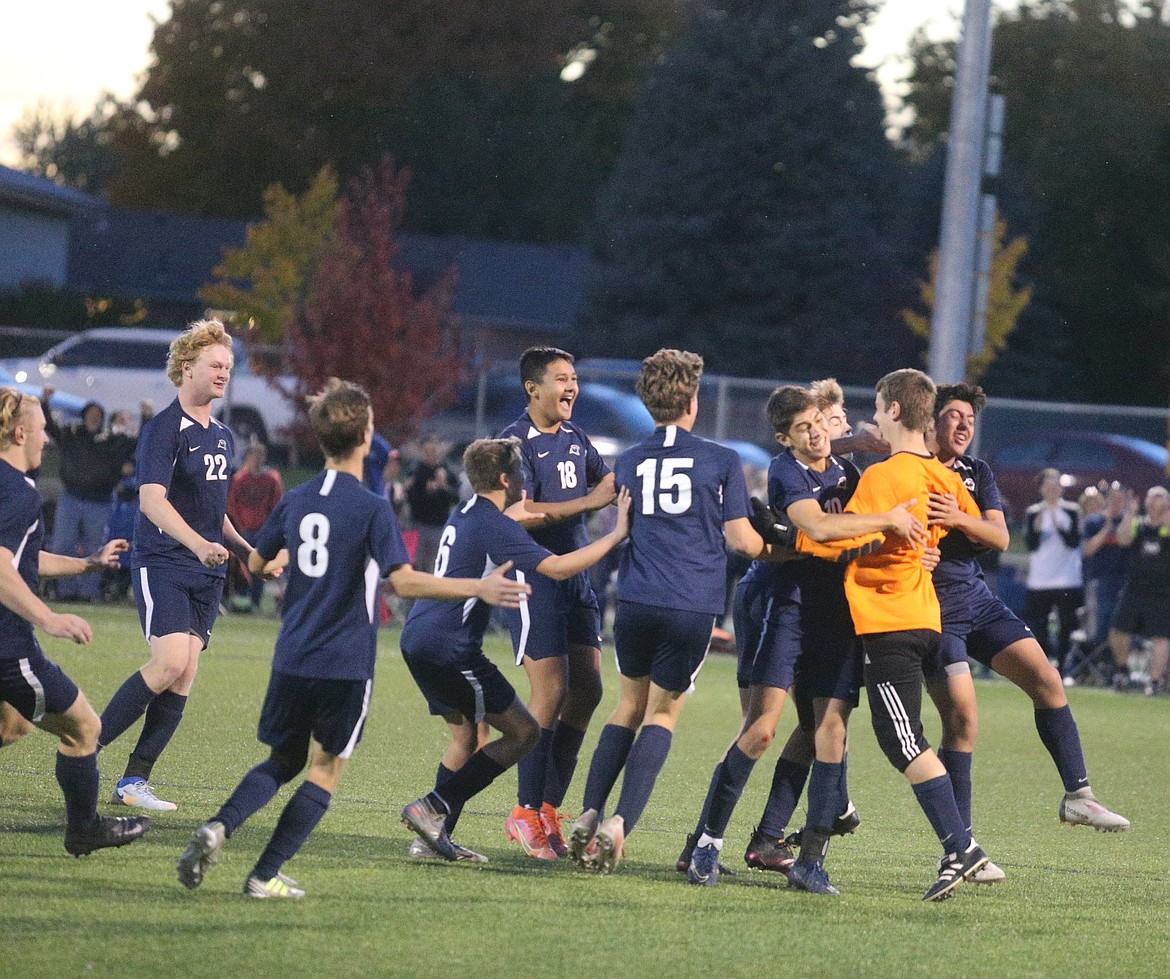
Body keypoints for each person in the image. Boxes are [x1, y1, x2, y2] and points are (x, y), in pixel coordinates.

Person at [176, 381, 532, 897]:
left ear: (321, 439)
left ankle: (220, 826)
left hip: (291, 654)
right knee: (325, 768)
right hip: (343, 663)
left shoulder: (296, 498)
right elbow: (404, 581)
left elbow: (254, 561)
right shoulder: (370, 507)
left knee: (281, 761)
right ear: (366, 435)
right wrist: (479, 586)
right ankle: (263, 874)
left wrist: (275, 560)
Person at [683, 385, 923, 887]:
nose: (816, 434)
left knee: (830, 734)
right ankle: (705, 844)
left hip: (839, 615)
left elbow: (851, 536)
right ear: (783, 439)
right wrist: (885, 521)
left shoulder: (846, 472)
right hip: (789, 610)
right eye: (803, 429)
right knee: (761, 729)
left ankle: (811, 861)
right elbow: (818, 526)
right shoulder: (786, 472)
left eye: (819, 423)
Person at [565, 349, 779, 875]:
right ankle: (619, 825)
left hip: (635, 599)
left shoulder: (632, 459)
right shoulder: (721, 458)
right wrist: (786, 547)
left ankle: (589, 812)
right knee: (662, 714)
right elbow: (742, 541)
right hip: (690, 604)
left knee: (625, 707)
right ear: (691, 400)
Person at [923, 383, 1128, 893]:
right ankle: (961, 848)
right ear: (930, 422)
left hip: (974, 598)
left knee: (1047, 680)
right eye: (953, 415)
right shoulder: (911, 465)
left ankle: (1077, 795)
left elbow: (999, 536)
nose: (964, 425)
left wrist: (959, 518)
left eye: (969, 417)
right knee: (962, 721)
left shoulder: (977, 472)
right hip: (929, 608)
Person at [398, 436, 630, 862]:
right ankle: (431, 808)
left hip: (417, 637)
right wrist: (615, 536)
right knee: (525, 732)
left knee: (467, 738)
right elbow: (557, 568)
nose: (528, 480)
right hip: (452, 646)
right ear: (506, 479)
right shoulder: (496, 523)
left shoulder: (464, 511)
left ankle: (429, 839)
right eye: (522, 473)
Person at [809, 369, 994, 901]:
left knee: (903, 739)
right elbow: (971, 520)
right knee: (903, 735)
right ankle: (961, 846)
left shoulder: (883, 477)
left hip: (890, 619)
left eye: (878, 407)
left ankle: (961, 847)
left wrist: (799, 532)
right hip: (924, 613)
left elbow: (841, 541)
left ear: (892, 410)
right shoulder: (944, 476)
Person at [97, 319, 276, 811]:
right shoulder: (162, 430)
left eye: (228, 366)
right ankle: (84, 749)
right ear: (186, 368)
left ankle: (133, 781)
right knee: (170, 661)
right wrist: (197, 544)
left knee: (184, 673)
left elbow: (215, 511)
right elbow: (151, 501)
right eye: (215, 365)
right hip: (164, 562)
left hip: (207, 570)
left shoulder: (221, 435)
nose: (224, 373)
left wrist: (247, 552)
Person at [0, 388, 151, 855]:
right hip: (8, 647)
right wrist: (47, 618)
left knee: (14, 726)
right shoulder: (19, 492)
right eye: (43, 429)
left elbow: (24, 560)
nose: (47, 439)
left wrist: (88, 564)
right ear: (21, 432)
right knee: (84, 728)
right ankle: (84, 829)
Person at [497, 347, 617, 859]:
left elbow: (606, 478)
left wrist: (614, 485)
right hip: (533, 580)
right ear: (533, 388)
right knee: (549, 692)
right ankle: (524, 813)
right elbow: (517, 512)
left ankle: (548, 807)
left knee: (587, 688)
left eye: (574, 379)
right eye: (562, 379)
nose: (572, 388)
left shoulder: (574, 437)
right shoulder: (513, 442)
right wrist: (590, 502)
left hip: (577, 580)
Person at [41, 390, 137, 601]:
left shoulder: (110, 440)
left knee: (95, 549)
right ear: (84, 415)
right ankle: (65, 592)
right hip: (72, 496)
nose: (94, 417)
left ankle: (87, 593)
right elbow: (50, 426)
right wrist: (45, 402)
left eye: (98, 414)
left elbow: (136, 443)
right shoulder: (73, 434)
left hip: (99, 501)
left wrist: (146, 417)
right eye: (90, 413)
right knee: (62, 546)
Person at [1109, 485, 1170, 695]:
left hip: (1163, 591)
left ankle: (1154, 681)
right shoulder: (1139, 524)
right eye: (1151, 497)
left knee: (1161, 638)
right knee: (1118, 631)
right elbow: (1123, 539)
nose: (1154, 501)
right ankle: (1123, 671)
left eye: (1159, 497)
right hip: (1135, 588)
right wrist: (1131, 513)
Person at [1023, 468, 1084, 677]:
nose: (1052, 489)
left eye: (1056, 484)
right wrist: (1038, 529)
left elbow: (1073, 542)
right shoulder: (1033, 512)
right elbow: (1030, 545)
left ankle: (1062, 666)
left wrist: (1058, 525)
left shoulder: (1071, 510)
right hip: (1040, 580)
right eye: (1048, 485)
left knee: (1066, 624)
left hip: (1066, 578)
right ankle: (1043, 666)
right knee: (1039, 624)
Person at [226, 443, 284, 612]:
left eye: (259, 456)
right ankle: (239, 598)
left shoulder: (271, 478)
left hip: (262, 531)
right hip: (242, 531)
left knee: (260, 566)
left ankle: (255, 601)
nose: (256, 460)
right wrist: (240, 527)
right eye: (253, 456)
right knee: (240, 564)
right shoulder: (239, 479)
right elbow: (231, 506)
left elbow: (277, 504)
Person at [1081, 482, 1137, 651]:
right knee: (1099, 627)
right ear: (1106, 500)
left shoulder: (1131, 521)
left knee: (1120, 628)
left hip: (1124, 582)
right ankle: (1097, 664)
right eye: (1113, 499)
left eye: (1121, 499)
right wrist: (1107, 526)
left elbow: (1125, 541)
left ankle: (1116, 668)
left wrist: (1129, 514)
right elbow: (1088, 550)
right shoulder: (1094, 522)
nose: (1117, 503)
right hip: (1100, 581)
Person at [404, 435, 460, 575]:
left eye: (434, 451)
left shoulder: (447, 472)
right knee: (416, 564)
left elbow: (455, 498)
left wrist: (443, 487)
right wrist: (425, 491)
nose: (431, 455)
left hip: (438, 525)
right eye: (428, 452)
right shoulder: (416, 472)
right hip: (419, 524)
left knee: (435, 565)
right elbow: (411, 498)